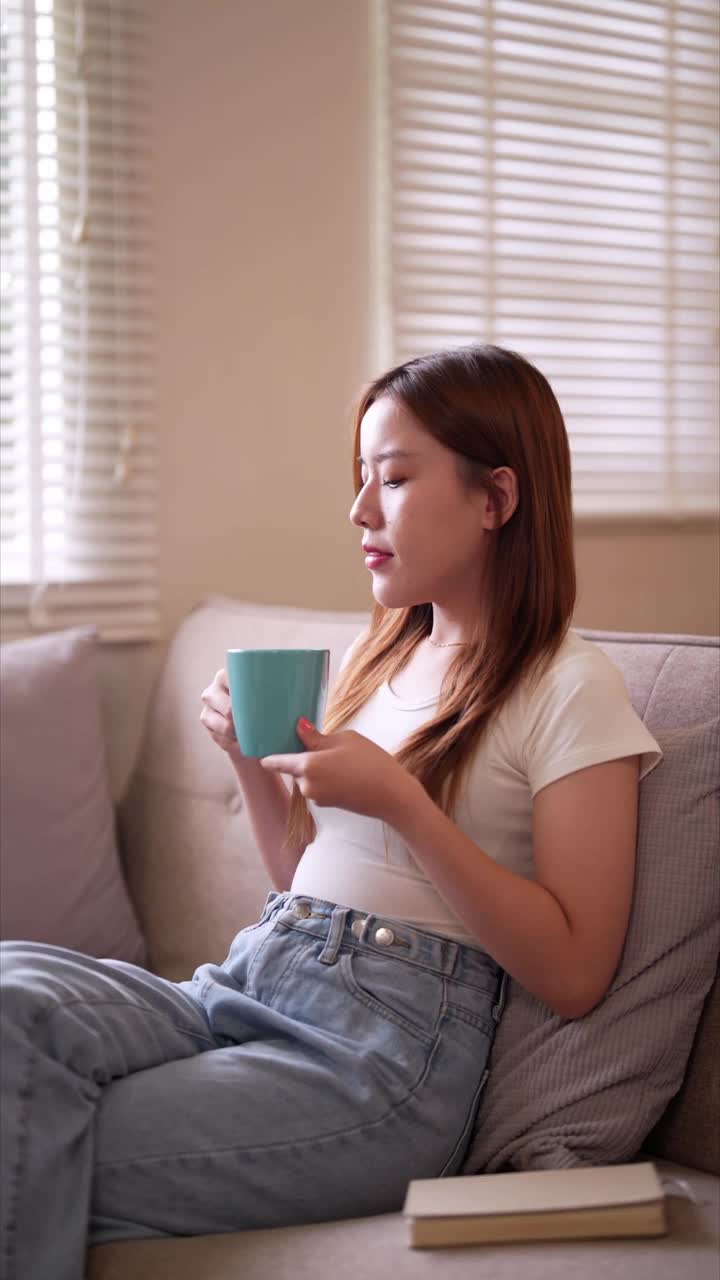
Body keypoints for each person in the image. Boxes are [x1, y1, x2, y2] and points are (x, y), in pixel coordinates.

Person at [0, 344, 662, 1280]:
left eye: (391, 479)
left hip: (381, 1061)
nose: (358, 512)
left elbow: (576, 970)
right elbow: (300, 877)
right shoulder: (380, 659)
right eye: (360, 480)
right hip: (253, 977)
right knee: (11, 992)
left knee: (29, 1136)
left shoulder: (570, 688)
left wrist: (405, 805)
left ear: (496, 499)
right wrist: (250, 765)